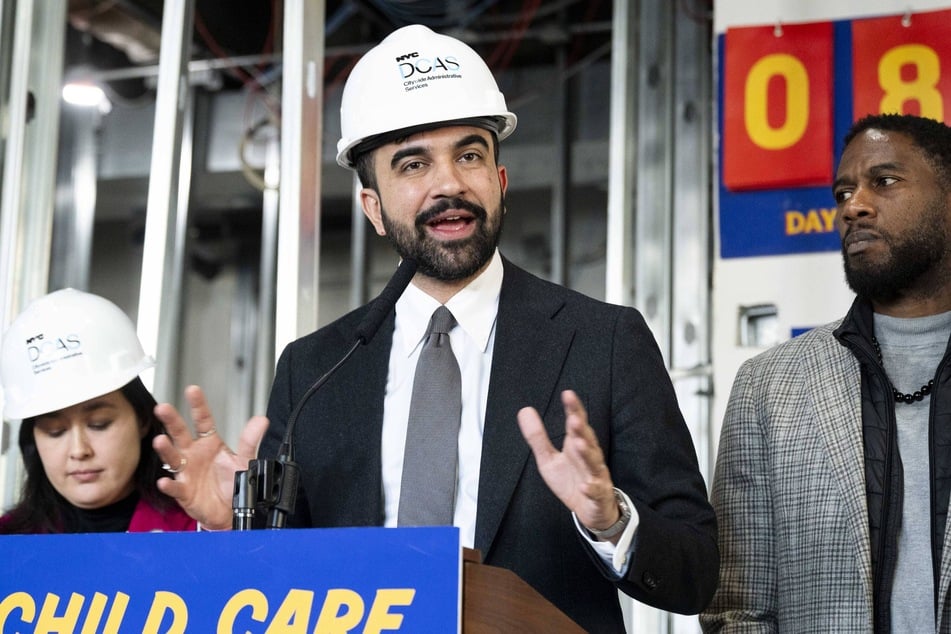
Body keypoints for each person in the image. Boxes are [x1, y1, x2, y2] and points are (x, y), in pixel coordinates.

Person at [152, 24, 718, 632]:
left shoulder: (604, 342)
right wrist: (233, 531)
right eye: (413, 163)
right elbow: (282, 588)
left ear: (499, 181)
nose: (449, 183)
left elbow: (695, 575)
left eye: (469, 154)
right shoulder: (314, 369)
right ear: (373, 207)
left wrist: (612, 521)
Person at [700, 113, 951, 633]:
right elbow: (738, 610)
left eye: (884, 181)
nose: (853, 206)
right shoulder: (769, 388)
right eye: (842, 193)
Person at [0, 288, 195, 534]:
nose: (79, 451)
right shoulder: (9, 543)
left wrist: (226, 531)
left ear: (143, 420)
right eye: (55, 431)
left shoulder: (197, 529)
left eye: (99, 423)